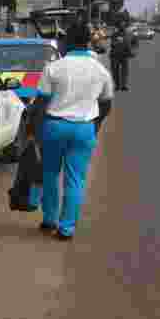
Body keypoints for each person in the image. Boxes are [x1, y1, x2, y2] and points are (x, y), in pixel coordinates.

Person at [35, 19, 114, 241]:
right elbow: (107, 103)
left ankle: (49, 220)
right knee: (75, 179)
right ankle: (66, 228)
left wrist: (36, 133)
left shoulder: (54, 68)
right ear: (88, 42)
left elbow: (40, 104)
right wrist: (95, 126)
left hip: (54, 126)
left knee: (50, 174)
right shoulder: (100, 70)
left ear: (67, 41)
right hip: (84, 128)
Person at [109, 25, 136, 91]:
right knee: (116, 72)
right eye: (121, 26)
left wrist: (132, 51)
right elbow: (112, 44)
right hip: (115, 55)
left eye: (123, 26)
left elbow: (134, 43)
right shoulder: (114, 35)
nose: (122, 28)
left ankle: (123, 85)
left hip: (124, 55)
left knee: (124, 71)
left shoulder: (129, 34)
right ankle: (118, 85)